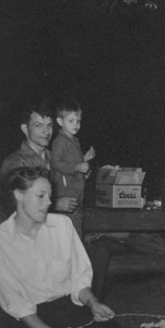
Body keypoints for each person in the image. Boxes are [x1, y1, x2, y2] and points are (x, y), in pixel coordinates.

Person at [0, 167, 126, 328]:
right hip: (31, 319)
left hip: (69, 309)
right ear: (18, 195)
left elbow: (79, 277)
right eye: (40, 196)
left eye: (50, 195)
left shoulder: (62, 226)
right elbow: (16, 303)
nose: (49, 202)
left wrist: (93, 302)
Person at [0, 105, 78, 215]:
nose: (46, 132)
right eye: (38, 126)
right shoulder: (16, 162)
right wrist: (54, 204)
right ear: (25, 129)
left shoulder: (53, 157)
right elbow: (12, 205)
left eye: (49, 125)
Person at [51, 98, 96, 238]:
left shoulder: (73, 140)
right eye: (71, 121)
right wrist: (77, 167)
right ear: (60, 122)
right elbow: (56, 163)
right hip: (67, 196)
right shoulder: (60, 142)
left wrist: (84, 160)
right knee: (71, 236)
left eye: (78, 121)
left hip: (77, 196)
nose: (76, 125)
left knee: (76, 232)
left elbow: (71, 163)